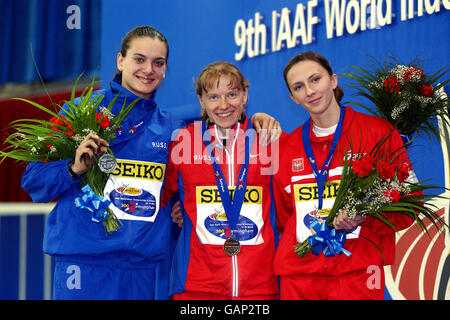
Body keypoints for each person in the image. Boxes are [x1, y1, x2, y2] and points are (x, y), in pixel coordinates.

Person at [21, 26, 280, 300]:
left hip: (143, 270)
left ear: (166, 69)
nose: (148, 69)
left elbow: (193, 176)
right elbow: (34, 179)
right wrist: (73, 169)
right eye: (139, 59)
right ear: (120, 60)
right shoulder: (81, 111)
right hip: (84, 264)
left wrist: (254, 119)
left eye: (158, 62)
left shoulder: (172, 129)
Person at [272, 51, 416, 300]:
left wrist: (365, 217)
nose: (309, 91)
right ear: (293, 97)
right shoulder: (286, 150)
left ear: (333, 80)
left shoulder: (377, 133)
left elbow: (410, 202)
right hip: (300, 278)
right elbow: (286, 219)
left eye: (315, 79)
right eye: (299, 87)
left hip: (358, 273)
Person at [161, 61, 281, 300]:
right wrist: (178, 208)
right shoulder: (183, 142)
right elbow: (161, 194)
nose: (224, 105)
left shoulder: (269, 139)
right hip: (197, 286)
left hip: (259, 286)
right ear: (202, 102)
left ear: (245, 96)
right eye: (213, 97)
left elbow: (289, 204)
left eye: (232, 94)